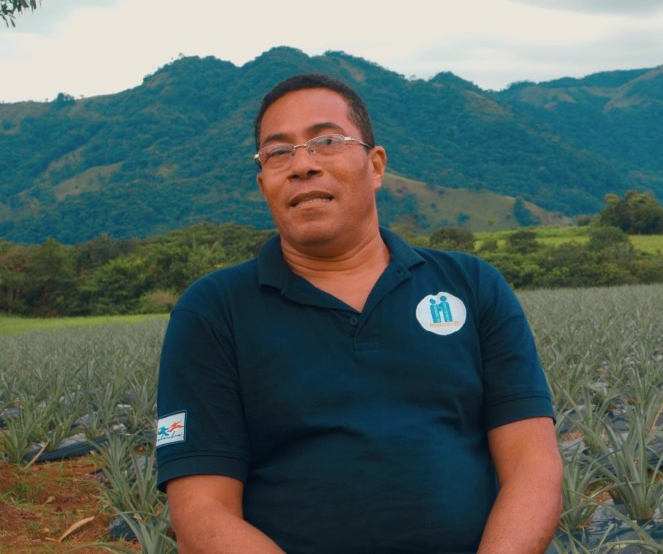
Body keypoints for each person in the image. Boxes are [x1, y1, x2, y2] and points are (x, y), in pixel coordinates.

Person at [155, 72, 563, 554]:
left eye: (326, 142)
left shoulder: (472, 285)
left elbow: (532, 465)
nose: (302, 165)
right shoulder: (212, 311)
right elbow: (202, 513)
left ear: (375, 165)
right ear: (264, 183)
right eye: (278, 152)